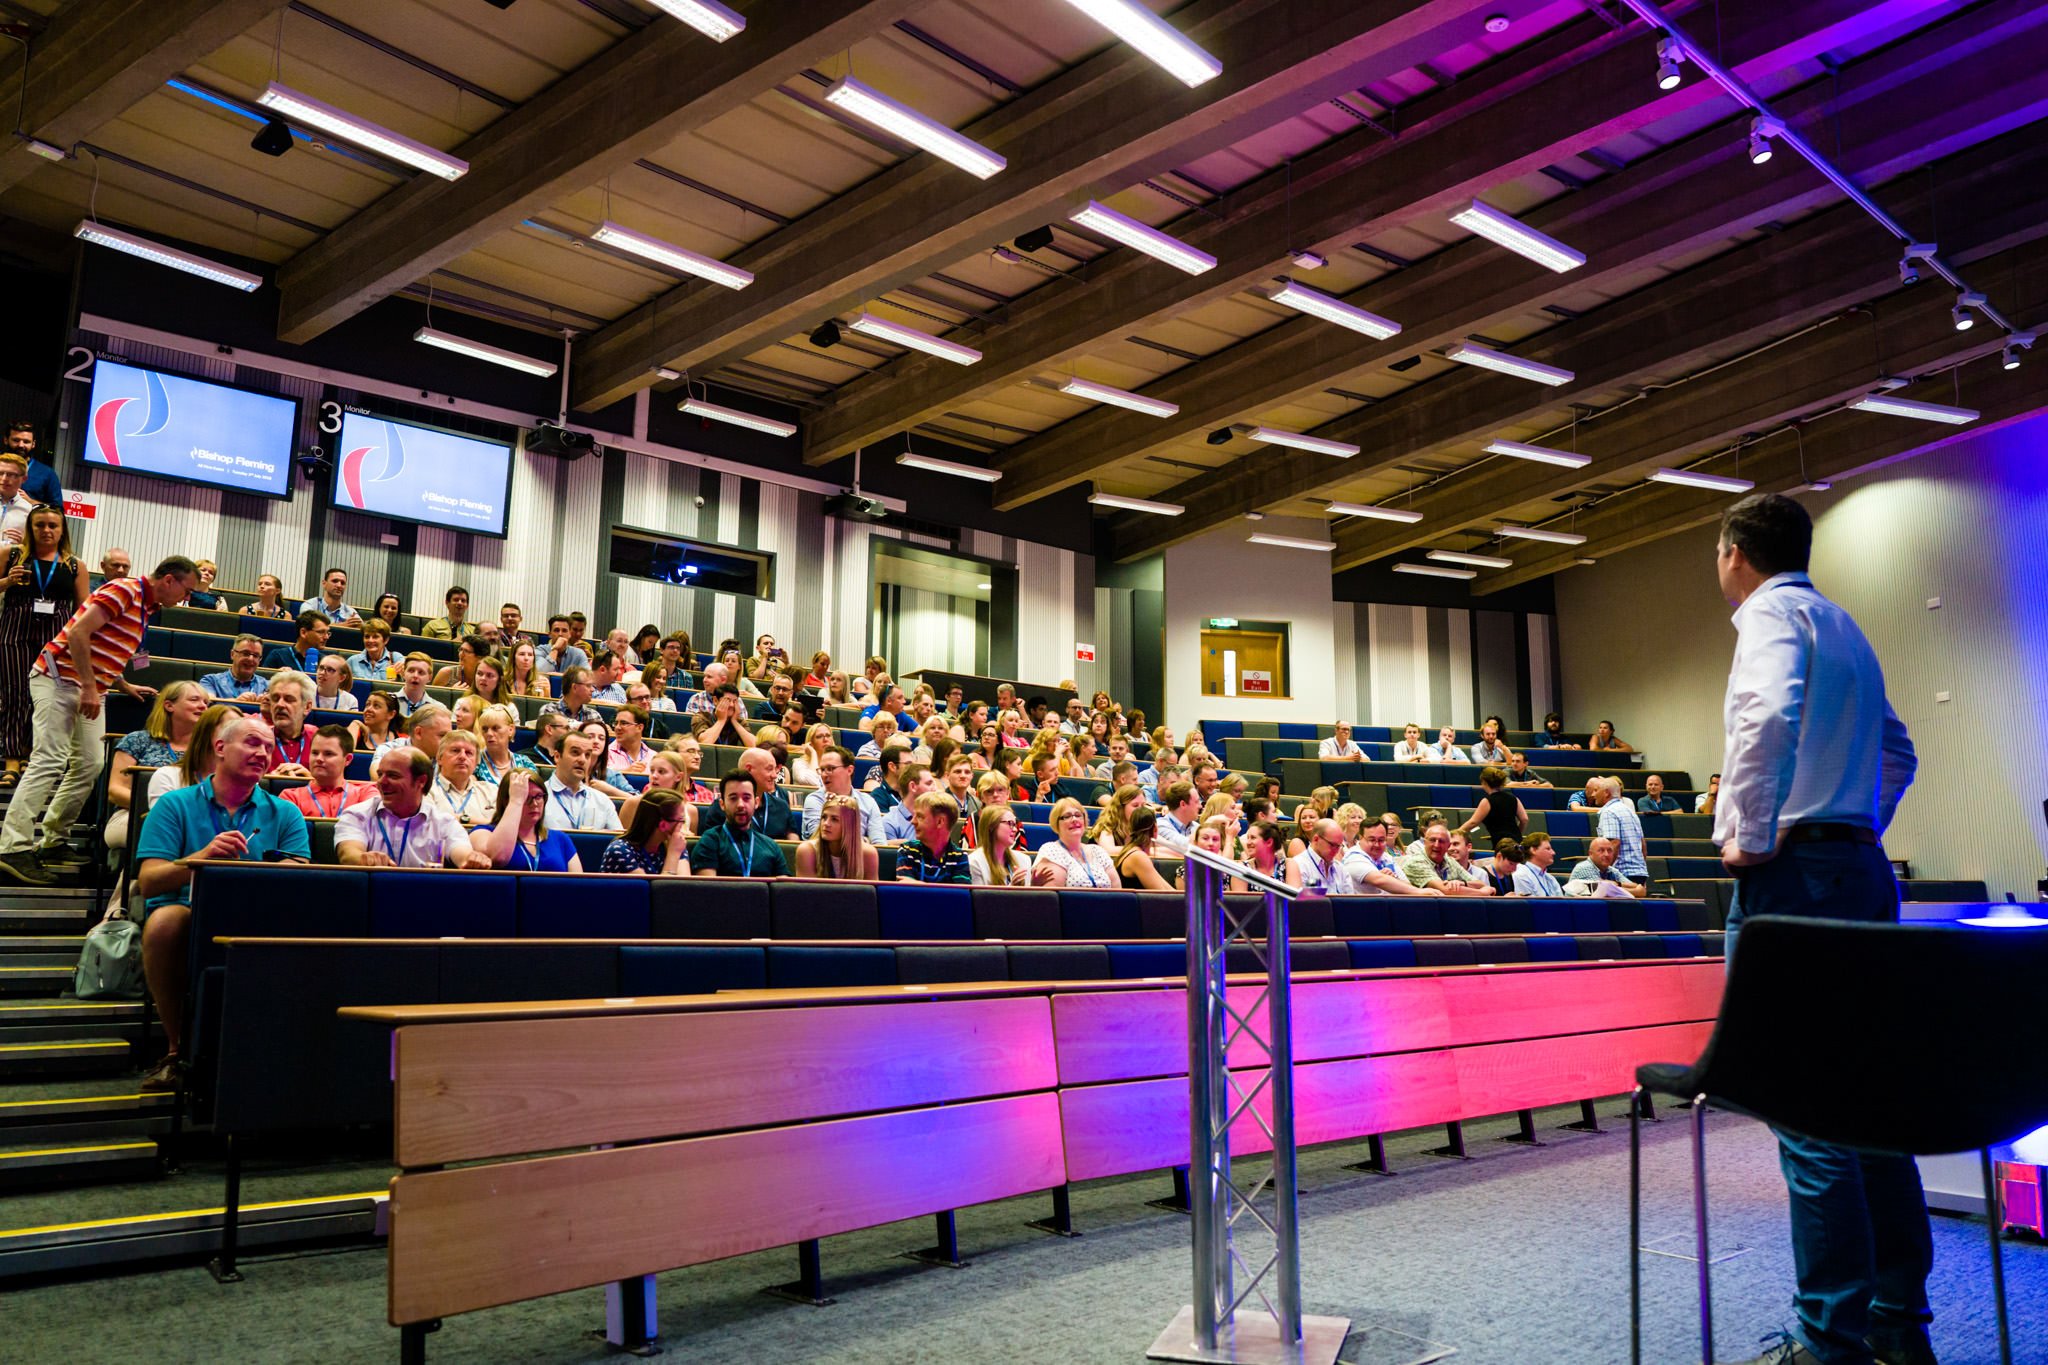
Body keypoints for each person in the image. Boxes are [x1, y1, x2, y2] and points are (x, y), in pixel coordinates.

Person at [1698, 494, 1924, 1365]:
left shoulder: (1767, 613)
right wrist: (1858, 822)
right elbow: (1901, 751)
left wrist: (1749, 838)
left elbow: (1764, 716)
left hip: (1795, 875)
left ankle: (1829, 1342)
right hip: (1862, 871)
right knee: (1869, 1100)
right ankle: (1899, 1327)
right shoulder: (1844, 623)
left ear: (1732, 553)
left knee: (1808, 1107)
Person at [133, 713, 310, 1087]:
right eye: (251, 743)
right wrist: (202, 858)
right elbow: (148, 882)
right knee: (165, 923)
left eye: (267, 746)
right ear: (219, 748)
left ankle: (279, 1053)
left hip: (259, 912)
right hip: (188, 909)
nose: (262, 753)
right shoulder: (174, 805)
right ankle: (176, 1050)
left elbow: (301, 877)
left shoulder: (286, 812)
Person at [0, 555, 193, 885]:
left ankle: (53, 840)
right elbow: (77, 634)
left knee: (90, 764)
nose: (185, 598)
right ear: (169, 580)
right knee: (49, 759)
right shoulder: (124, 590)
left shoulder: (147, 607)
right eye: (185, 590)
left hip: (92, 687)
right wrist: (90, 686)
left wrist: (121, 683)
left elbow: (106, 645)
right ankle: (12, 847)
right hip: (58, 678)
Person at [0, 501, 86, 788]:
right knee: (15, 694)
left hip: (56, 637)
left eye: (53, 525)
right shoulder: (11, 554)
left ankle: (34, 755)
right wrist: (6, 582)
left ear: (62, 530)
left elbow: (83, 610)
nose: (46, 530)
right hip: (15, 632)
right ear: (30, 528)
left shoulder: (74, 565)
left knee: (47, 698)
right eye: (40, 525)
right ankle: (12, 757)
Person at [104, 681, 208, 855]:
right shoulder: (137, 740)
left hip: (192, 819)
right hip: (132, 815)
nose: (203, 706)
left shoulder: (207, 748)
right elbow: (115, 791)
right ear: (169, 705)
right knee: (162, 829)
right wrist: (164, 809)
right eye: (194, 700)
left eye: (206, 702)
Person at [474, 770, 584, 872]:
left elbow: (578, 886)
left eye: (539, 796)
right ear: (506, 801)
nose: (535, 804)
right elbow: (499, 858)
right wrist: (516, 801)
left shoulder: (560, 839)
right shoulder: (482, 833)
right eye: (526, 797)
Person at [689, 771, 789, 878]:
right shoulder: (710, 841)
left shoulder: (771, 846)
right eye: (733, 798)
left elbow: (783, 891)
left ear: (756, 803)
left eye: (746, 798)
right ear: (722, 804)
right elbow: (707, 890)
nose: (740, 805)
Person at [282, 724, 376, 819]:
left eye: (328, 754)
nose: (319, 758)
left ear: (347, 759)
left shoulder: (365, 793)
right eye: (315, 753)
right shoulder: (291, 797)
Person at [702, 747, 795, 839]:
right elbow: (713, 842)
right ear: (749, 769)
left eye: (775, 769)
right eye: (769, 769)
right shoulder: (722, 807)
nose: (774, 775)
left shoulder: (782, 806)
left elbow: (792, 841)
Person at [541, 732, 624, 833]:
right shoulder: (539, 797)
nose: (582, 760)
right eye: (575, 752)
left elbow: (617, 841)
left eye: (587, 755)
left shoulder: (602, 801)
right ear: (557, 756)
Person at [600, 787, 689, 875]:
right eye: (681, 820)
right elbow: (660, 889)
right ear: (663, 825)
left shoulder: (674, 844)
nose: (682, 826)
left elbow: (684, 887)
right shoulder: (620, 850)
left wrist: (675, 852)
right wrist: (673, 854)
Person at [1033, 796, 1117, 889]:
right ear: (1056, 823)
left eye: (1078, 815)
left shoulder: (1098, 851)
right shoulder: (1051, 850)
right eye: (1067, 816)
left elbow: (1118, 892)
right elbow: (1053, 895)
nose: (1074, 819)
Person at [1340, 821, 1439, 897]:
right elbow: (1378, 880)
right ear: (1361, 838)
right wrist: (1418, 892)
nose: (1377, 844)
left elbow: (1407, 884)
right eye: (1372, 840)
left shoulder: (1386, 857)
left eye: (1381, 840)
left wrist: (1394, 879)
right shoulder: (1353, 856)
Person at [794, 793, 876, 880]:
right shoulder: (807, 851)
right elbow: (807, 892)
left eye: (834, 819)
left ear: (849, 825)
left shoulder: (868, 854)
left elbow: (870, 892)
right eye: (824, 817)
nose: (826, 823)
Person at [1400, 822, 1494, 896]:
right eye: (1432, 840)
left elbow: (1480, 883)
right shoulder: (1416, 862)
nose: (1436, 845)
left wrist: (1463, 883)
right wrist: (1482, 893)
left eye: (1441, 841)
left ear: (1448, 846)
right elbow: (1446, 890)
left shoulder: (1449, 861)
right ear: (1425, 843)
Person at [426, 729, 498, 826]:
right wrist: (483, 822)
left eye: (469, 753)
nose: (462, 757)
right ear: (439, 758)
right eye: (455, 751)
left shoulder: (491, 791)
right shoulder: (426, 790)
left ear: (477, 762)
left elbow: (503, 825)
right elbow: (431, 821)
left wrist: (459, 818)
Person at [894, 792, 970, 883]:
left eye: (919, 816)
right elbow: (905, 891)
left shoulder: (960, 857)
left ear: (940, 822)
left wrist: (918, 885)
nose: (913, 821)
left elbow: (959, 896)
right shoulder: (907, 850)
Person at [1591, 775, 1650, 884]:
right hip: (1639, 872)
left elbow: (1613, 843)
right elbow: (1643, 845)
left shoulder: (1609, 812)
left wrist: (1605, 871)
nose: (1593, 794)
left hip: (1622, 873)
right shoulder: (1630, 811)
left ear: (1606, 793)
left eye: (1596, 790)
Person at [261, 671, 317, 776]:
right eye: (275, 699)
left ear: (307, 707)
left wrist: (311, 780)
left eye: (289, 700)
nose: (280, 704)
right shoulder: (259, 740)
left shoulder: (318, 740)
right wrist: (268, 782)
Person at [1456, 767, 1527, 848]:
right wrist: (1517, 834)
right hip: (1517, 841)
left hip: (1500, 843)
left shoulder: (1487, 801)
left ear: (1484, 782)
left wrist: (1456, 834)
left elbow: (1473, 822)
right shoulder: (1514, 798)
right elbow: (1524, 819)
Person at [969, 804, 1036, 886]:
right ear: (991, 826)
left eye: (1014, 824)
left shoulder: (1024, 860)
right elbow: (981, 898)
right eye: (1010, 823)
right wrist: (1011, 890)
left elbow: (1028, 897)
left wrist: (1036, 884)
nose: (1015, 829)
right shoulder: (974, 862)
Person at [4, 419, 62, 508]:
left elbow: (58, 510)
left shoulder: (47, 474)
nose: (21, 445)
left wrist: (30, 501)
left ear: (33, 444)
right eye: (16, 440)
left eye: (26, 442)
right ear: (6, 440)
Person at [874, 763, 935, 844]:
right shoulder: (889, 823)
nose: (935, 789)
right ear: (913, 786)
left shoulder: (937, 819)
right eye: (928, 784)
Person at [1567, 836, 1645, 898]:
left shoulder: (1612, 870)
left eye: (1609, 850)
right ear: (1590, 854)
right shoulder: (1584, 867)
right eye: (1601, 850)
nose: (1606, 854)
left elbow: (1641, 890)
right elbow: (1604, 892)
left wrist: (1616, 884)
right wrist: (1636, 891)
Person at [199, 634, 270, 702]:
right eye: (245, 653)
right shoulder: (210, 681)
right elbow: (209, 703)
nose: (251, 659)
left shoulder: (268, 686)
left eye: (256, 655)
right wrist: (237, 701)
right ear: (232, 654)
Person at [1289, 818, 1351, 895]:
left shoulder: (1341, 869)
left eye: (1339, 846)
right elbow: (1301, 903)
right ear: (1316, 839)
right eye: (1332, 845)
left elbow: (1351, 903)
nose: (1336, 850)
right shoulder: (1298, 866)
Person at [264, 610, 330, 673]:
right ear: (303, 633)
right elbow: (263, 682)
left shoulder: (326, 661)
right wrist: (277, 676)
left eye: (328, 633)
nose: (326, 637)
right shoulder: (278, 656)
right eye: (321, 632)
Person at [347, 617, 402, 682]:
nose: (370, 640)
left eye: (375, 637)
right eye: (367, 636)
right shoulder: (352, 661)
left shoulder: (395, 658)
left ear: (386, 640)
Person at [607, 705, 657, 774]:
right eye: (616, 723)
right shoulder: (605, 753)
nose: (617, 727)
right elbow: (599, 779)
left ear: (639, 727)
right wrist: (626, 772)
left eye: (623, 723)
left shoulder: (654, 757)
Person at [1510, 833, 1564, 897]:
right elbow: (1529, 905)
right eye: (1548, 849)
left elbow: (1562, 904)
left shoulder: (1551, 879)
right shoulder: (1522, 876)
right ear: (1533, 850)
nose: (1553, 853)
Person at [351, 689, 400, 754]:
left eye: (376, 706)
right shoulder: (356, 732)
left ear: (391, 714)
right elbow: (345, 757)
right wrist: (355, 724)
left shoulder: (401, 739)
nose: (369, 709)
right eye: (367, 704)